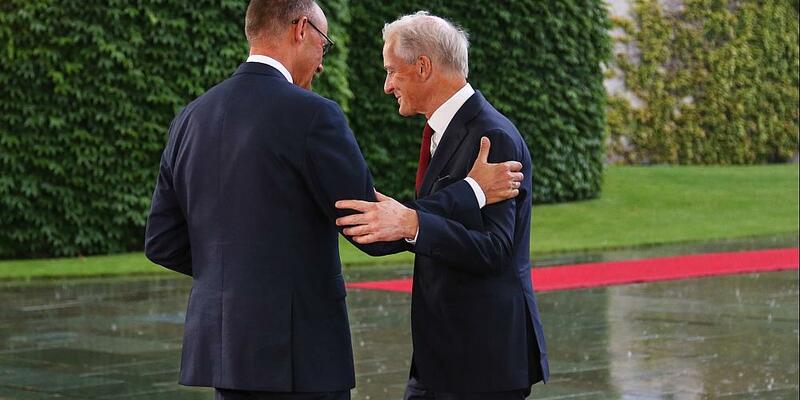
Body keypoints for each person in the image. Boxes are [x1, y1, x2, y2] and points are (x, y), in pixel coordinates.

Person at [144, 1, 525, 399]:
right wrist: (470, 191)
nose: (322, 63)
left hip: (224, 355)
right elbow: (373, 226)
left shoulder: (189, 118)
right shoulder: (313, 115)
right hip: (301, 355)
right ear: (301, 29)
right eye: (324, 44)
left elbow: (162, 242)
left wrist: (237, 278)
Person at [335, 12, 550, 399]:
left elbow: (495, 249)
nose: (387, 86)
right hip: (443, 358)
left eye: (391, 71)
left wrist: (413, 224)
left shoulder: (491, 136)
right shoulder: (443, 130)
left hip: (484, 363)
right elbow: (433, 218)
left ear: (422, 67)